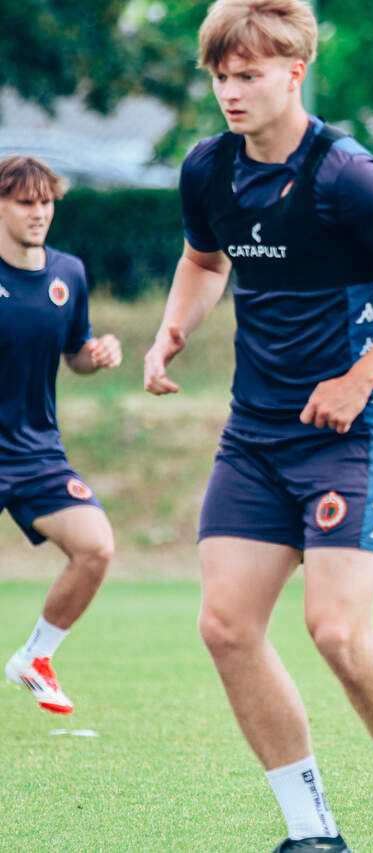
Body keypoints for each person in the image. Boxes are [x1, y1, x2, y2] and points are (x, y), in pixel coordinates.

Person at [142, 2, 373, 851]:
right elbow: (204, 260)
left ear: (295, 71)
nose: (231, 92)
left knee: (337, 630)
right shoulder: (208, 169)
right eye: (221, 76)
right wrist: (174, 327)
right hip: (257, 436)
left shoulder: (348, 176)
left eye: (248, 75)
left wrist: (358, 380)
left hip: (357, 432)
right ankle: (312, 829)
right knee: (225, 626)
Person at [0, 155, 122, 716]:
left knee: (95, 547)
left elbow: (75, 354)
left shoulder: (67, 273)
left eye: (46, 202)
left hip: (35, 452)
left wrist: (96, 355)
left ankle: (36, 657)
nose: (39, 213)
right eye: (25, 202)